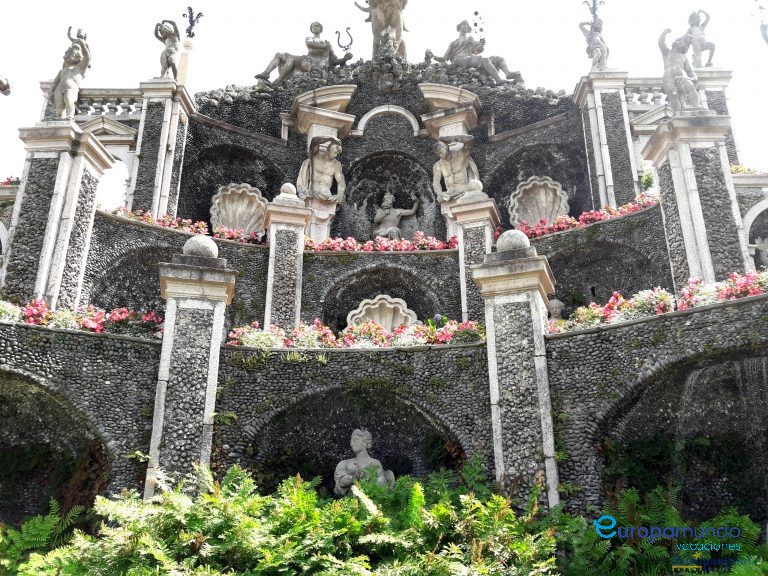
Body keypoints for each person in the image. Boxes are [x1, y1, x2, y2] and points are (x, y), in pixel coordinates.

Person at [256, 22, 352, 85]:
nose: (315, 27)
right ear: (311, 29)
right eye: (313, 26)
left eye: (317, 25)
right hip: (308, 58)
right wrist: (324, 46)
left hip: (318, 63)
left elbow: (333, 60)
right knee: (279, 55)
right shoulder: (310, 39)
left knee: (292, 59)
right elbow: (309, 44)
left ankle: (279, 80)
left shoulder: (327, 43)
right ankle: (266, 73)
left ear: (321, 29)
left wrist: (345, 58)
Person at [432, 21, 517, 85]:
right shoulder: (454, 43)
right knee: (484, 60)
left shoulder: (470, 39)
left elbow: (477, 50)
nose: (465, 26)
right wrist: (433, 56)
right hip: (459, 59)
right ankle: (498, 80)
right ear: (459, 27)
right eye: (464, 24)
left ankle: (508, 73)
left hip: (469, 58)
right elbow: (445, 58)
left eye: (467, 25)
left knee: (498, 59)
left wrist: (481, 44)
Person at [334, 429, 395, 496]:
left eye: (355, 440)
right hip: (351, 500)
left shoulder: (374, 463)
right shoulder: (344, 463)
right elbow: (340, 483)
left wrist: (367, 479)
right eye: (351, 441)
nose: (352, 443)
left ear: (365, 443)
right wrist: (354, 477)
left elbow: (382, 487)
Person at [50, 27, 91, 119]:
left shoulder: (80, 68)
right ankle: (59, 117)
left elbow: (87, 57)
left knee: (69, 101)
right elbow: (55, 81)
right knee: (59, 107)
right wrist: (51, 89)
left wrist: (82, 43)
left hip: (70, 89)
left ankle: (70, 116)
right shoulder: (63, 70)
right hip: (59, 89)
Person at [659, 29, 701, 111]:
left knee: (690, 86)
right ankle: (677, 111)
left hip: (681, 77)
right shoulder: (667, 52)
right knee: (674, 95)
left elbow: (689, 71)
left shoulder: (684, 57)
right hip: (669, 78)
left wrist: (694, 77)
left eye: (683, 42)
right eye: (679, 40)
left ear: (685, 47)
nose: (681, 42)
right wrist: (664, 33)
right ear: (675, 42)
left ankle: (696, 105)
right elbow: (661, 42)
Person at [296, 137, 346, 203]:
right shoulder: (315, 156)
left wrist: (339, 195)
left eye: (337, 153)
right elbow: (314, 141)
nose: (336, 155)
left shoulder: (336, 164)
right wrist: (329, 138)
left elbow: (341, 182)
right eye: (335, 152)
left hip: (326, 195)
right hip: (312, 193)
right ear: (329, 149)